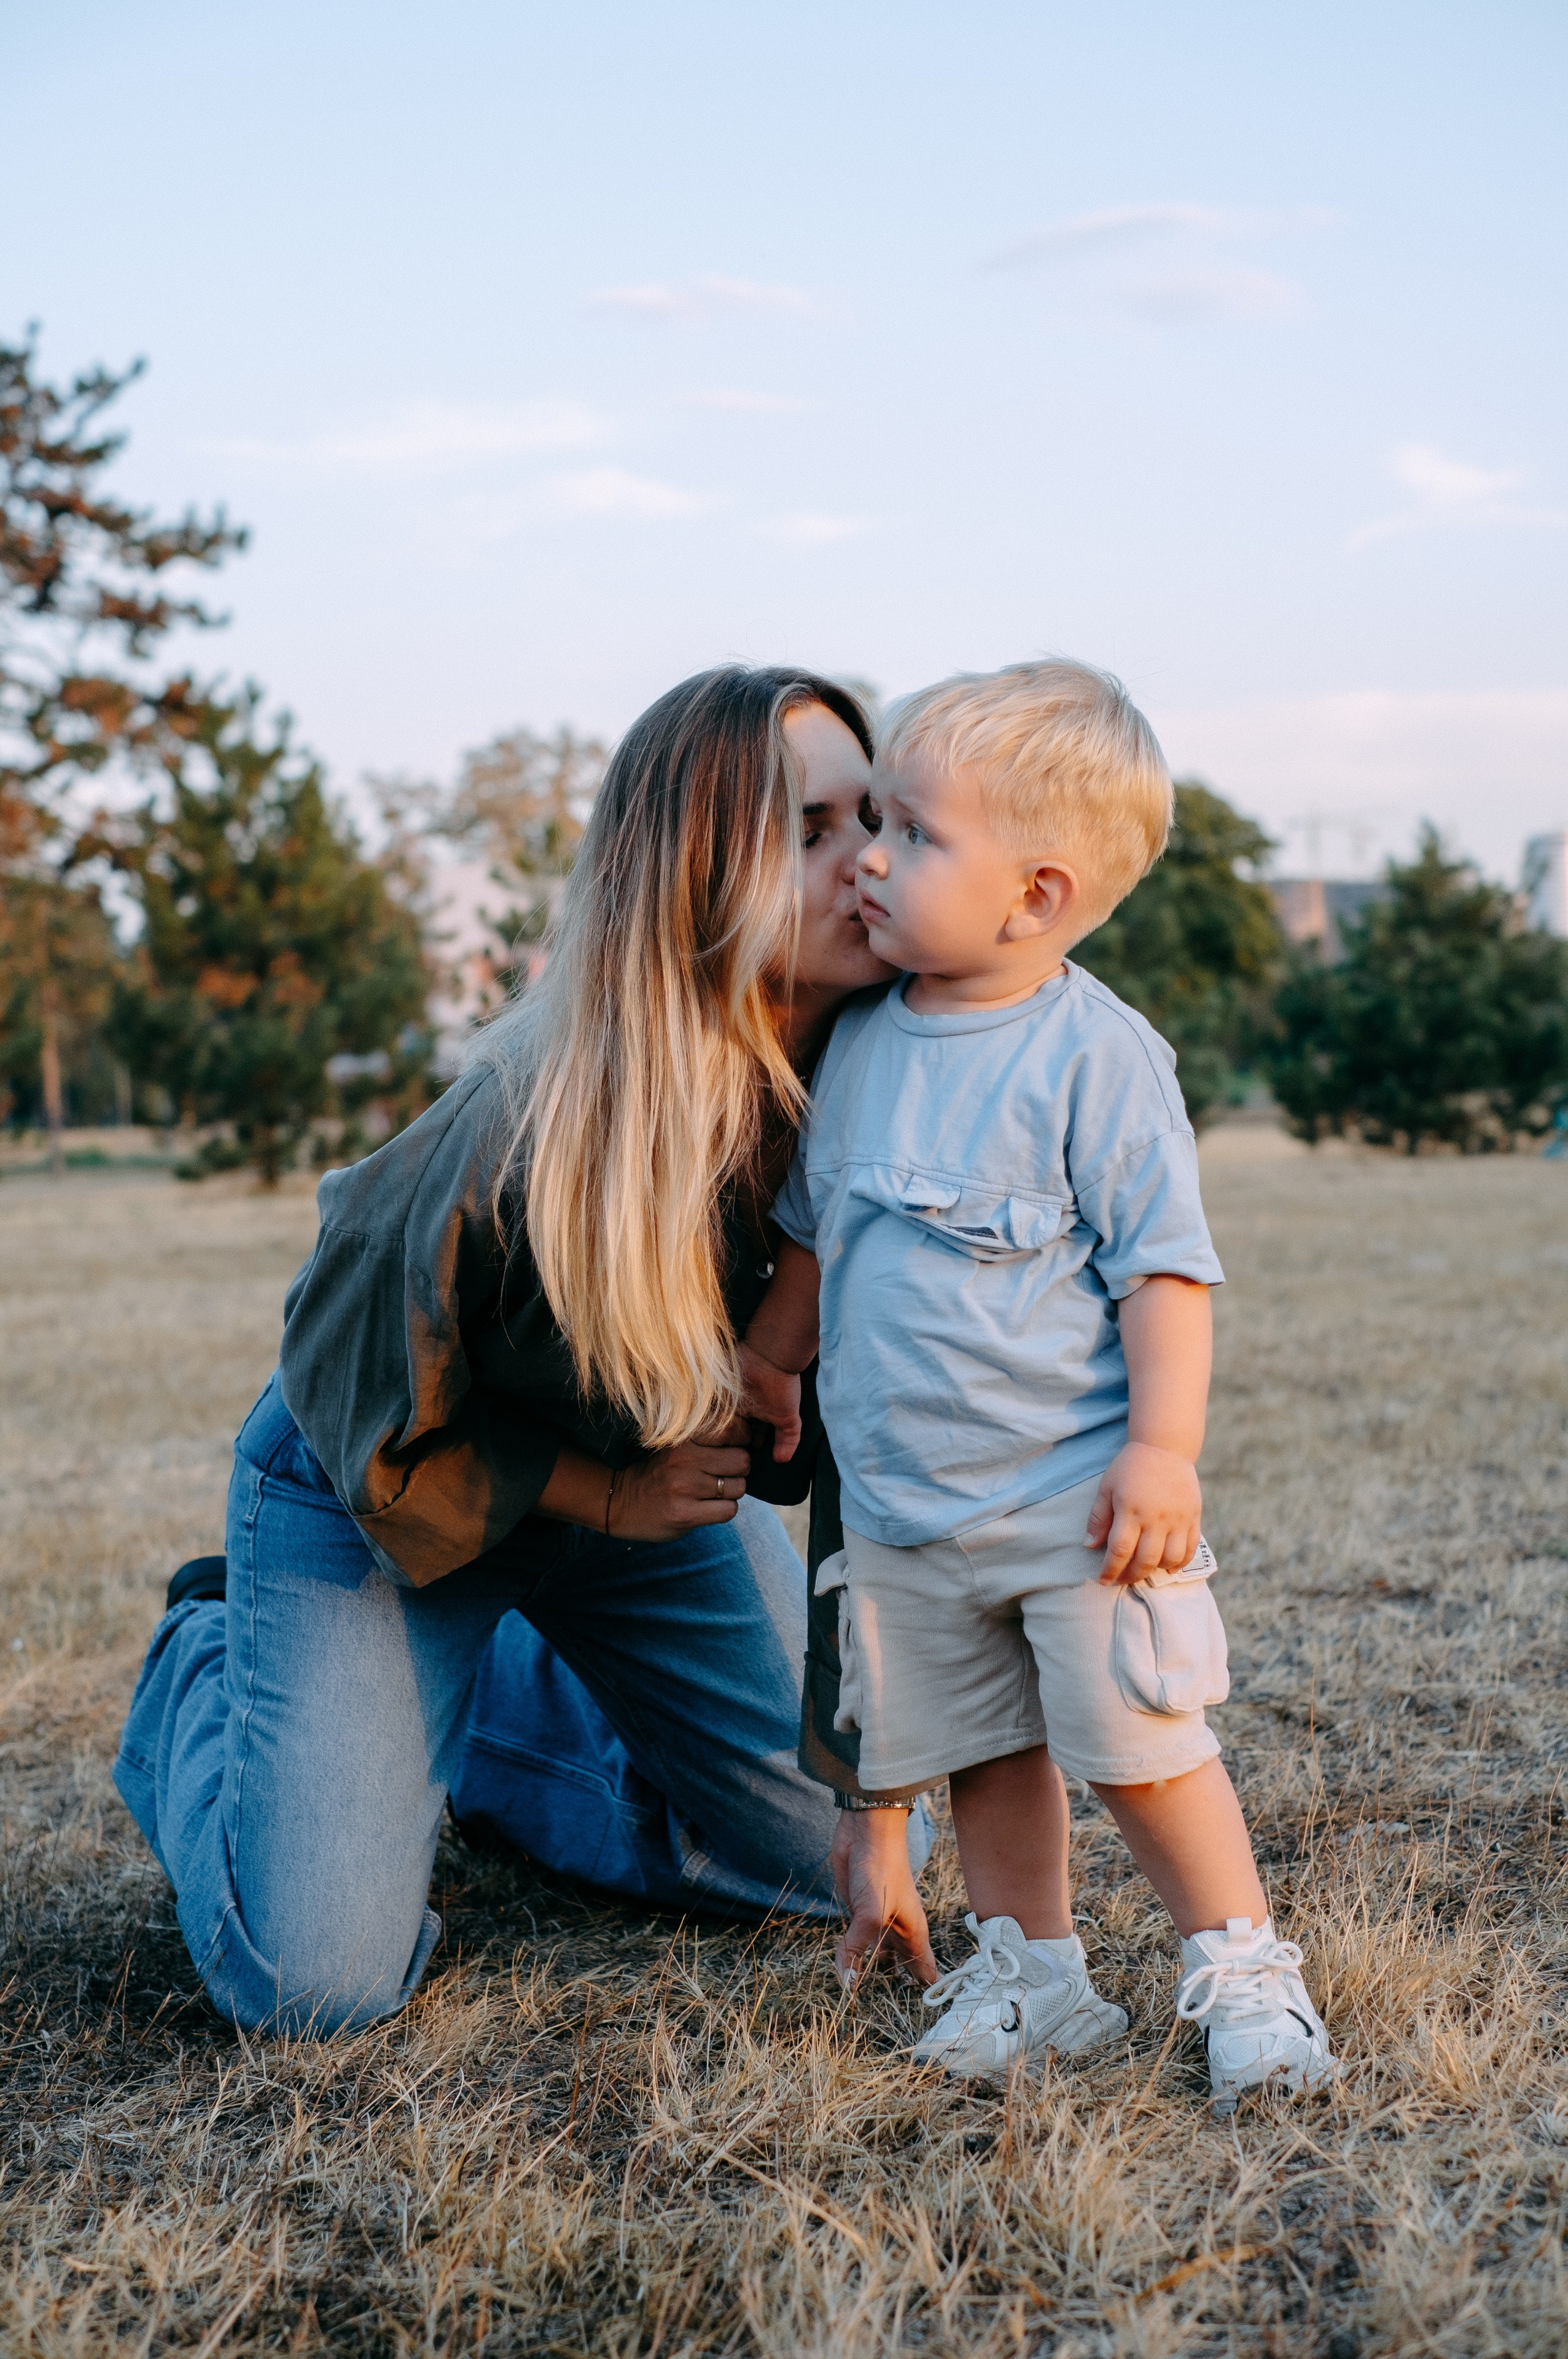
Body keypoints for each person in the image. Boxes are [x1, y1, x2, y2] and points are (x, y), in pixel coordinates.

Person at [113, 666, 932, 2037]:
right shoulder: (510, 1125)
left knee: (820, 1861)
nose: (867, 863)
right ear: (691, 870)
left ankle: (457, 1711)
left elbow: (879, 1462)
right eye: (808, 830)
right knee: (311, 1986)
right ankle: (211, 1663)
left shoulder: (893, 1084)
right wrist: (603, 1497)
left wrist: (871, 1788)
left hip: (651, 1500)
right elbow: (357, 1410)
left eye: (877, 817)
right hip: (378, 1498)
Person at [741, 659, 1338, 2111]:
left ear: (1036, 897)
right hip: (904, 1512)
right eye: (868, 819)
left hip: (1071, 1501)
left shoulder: (1095, 1058)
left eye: (911, 835)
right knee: (980, 1756)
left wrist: (1161, 1452)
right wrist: (767, 1356)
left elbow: (1163, 1272)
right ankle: (1033, 1971)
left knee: (1138, 1748)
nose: (865, 859)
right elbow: (823, 1232)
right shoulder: (863, 1044)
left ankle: (1241, 1964)